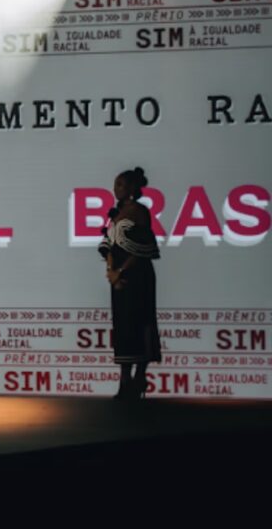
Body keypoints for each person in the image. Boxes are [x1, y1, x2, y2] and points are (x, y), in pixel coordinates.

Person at [99, 167, 161, 399]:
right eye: (115, 184)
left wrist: (121, 271)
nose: (116, 189)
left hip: (137, 276)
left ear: (133, 187)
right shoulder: (116, 213)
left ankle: (139, 377)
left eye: (121, 185)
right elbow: (108, 246)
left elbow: (143, 248)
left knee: (139, 321)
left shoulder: (139, 211)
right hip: (118, 277)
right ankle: (125, 380)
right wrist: (111, 271)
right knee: (123, 324)